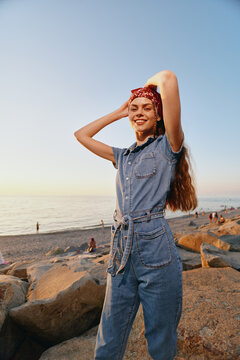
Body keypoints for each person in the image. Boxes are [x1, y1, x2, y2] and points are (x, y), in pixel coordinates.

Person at [74, 70, 197, 360]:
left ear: (159, 116)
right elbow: (81, 135)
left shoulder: (168, 148)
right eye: (134, 109)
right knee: (107, 345)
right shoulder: (122, 156)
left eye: (147, 108)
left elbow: (167, 78)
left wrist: (143, 89)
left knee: (161, 345)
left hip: (156, 251)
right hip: (120, 253)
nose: (139, 113)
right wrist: (119, 111)